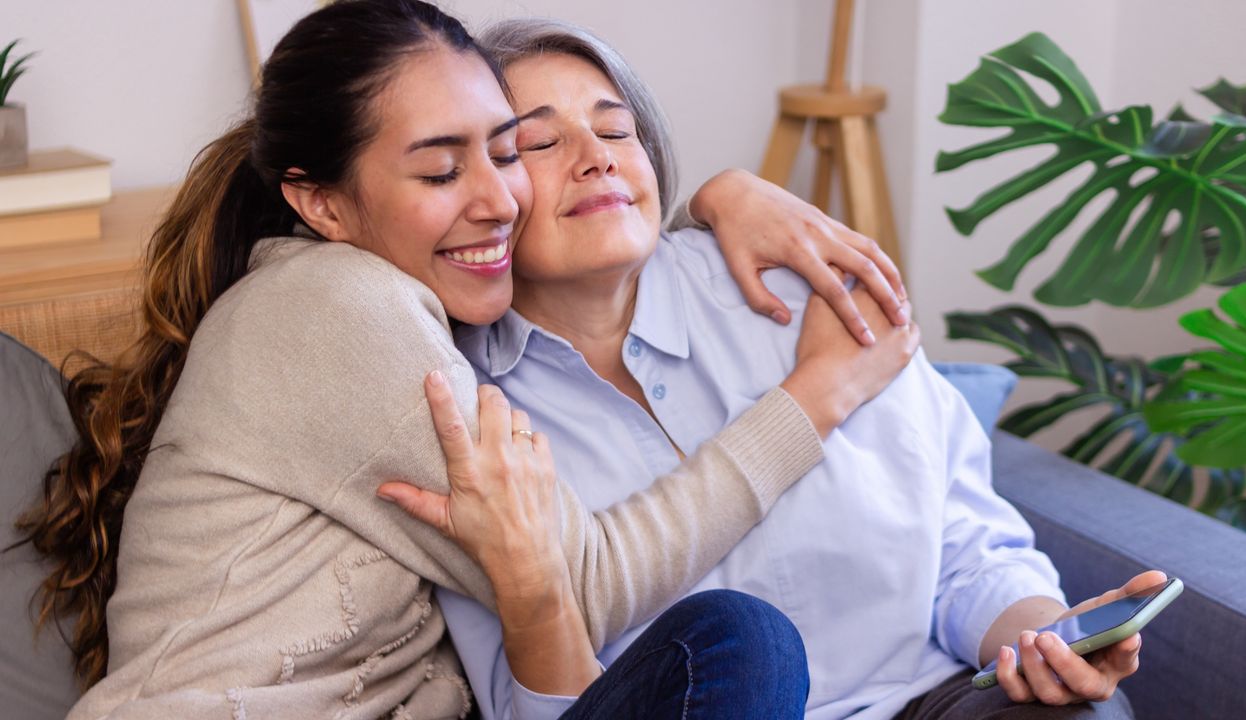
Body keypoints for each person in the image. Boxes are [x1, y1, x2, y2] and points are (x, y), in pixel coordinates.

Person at [13, 2, 919, 718]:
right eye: (442, 173)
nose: (499, 199)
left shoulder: (409, 313)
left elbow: (596, 252)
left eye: (502, 151)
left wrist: (717, 199)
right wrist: (814, 397)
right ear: (321, 204)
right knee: (737, 646)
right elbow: (588, 578)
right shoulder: (336, 308)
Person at [381, 17, 1160, 720]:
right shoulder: (468, 412)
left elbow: (965, 546)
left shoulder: (802, 285)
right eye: (541, 144)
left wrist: (1043, 641)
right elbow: (537, 707)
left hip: (932, 699)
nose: (596, 161)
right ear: (486, 190)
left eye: (618, 133)